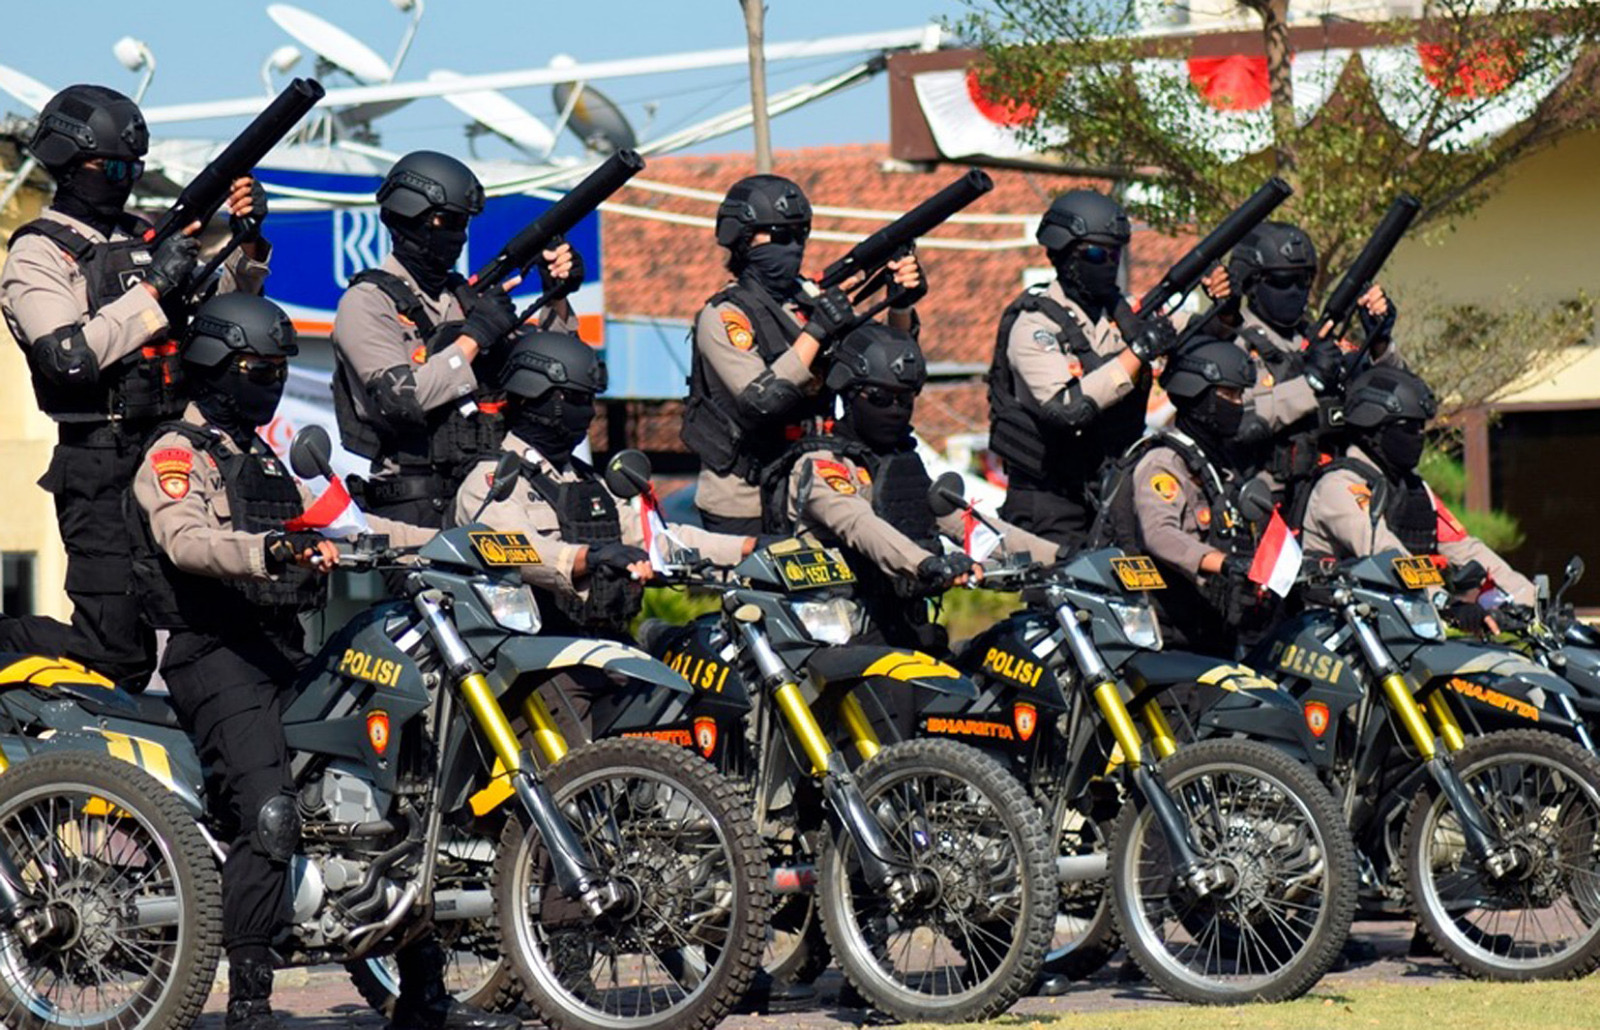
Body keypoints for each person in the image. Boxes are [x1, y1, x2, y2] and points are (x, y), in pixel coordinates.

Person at [130, 294, 516, 1030]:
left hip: (281, 649)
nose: (272, 382)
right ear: (214, 365)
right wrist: (272, 548)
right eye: (258, 369)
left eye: (279, 369)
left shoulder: (263, 456)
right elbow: (186, 540)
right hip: (213, 653)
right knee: (269, 811)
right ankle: (249, 1002)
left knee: (393, 805)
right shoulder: (176, 453)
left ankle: (423, 996)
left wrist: (449, 545)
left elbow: (348, 523)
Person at [0, 83, 269, 688]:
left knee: (219, 627)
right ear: (68, 163)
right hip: (100, 462)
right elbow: (68, 359)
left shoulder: (144, 234)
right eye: (113, 168)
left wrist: (245, 244)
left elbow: (215, 324)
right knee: (115, 652)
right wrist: (153, 290)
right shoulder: (38, 253)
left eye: (134, 169)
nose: (124, 180)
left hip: (173, 450)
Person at [770, 324, 1058, 651]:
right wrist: (926, 564)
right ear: (848, 394)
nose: (895, 409)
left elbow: (965, 524)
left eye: (905, 398)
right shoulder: (822, 465)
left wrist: (1060, 558)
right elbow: (860, 525)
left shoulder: (900, 466)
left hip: (903, 627)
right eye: (880, 397)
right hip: (843, 638)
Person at [332, 150, 580, 526]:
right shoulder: (367, 302)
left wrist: (556, 298)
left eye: (463, 223)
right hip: (414, 505)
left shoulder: (466, 299)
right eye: (445, 221)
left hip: (490, 494)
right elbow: (403, 399)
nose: (458, 236)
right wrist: (475, 336)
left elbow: (549, 376)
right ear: (408, 217)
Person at [681, 173, 923, 535]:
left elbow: (880, 366)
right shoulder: (724, 315)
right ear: (742, 239)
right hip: (745, 497)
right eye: (779, 236)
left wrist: (899, 303)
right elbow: (762, 400)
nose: (793, 247)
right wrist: (818, 329)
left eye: (800, 235)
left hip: (812, 482)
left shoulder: (809, 302)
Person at [987, 188, 1178, 548]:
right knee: (1061, 581)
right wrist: (1138, 353)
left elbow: (1189, 332)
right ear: (1064, 253)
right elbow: (1067, 408)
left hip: (1110, 490)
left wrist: (1224, 310)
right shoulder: (1034, 325)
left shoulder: (1124, 314)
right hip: (1050, 499)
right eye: (1095, 253)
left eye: (1115, 253)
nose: (1108, 263)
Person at [1296, 366, 1534, 622]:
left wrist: (1527, 598)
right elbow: (1386, 553)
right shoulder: (1339, 486)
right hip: (1335, 629)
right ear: (1375, 427)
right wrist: (1445, 603)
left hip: (1397, 627)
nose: (1419, 436)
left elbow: (1463, 548)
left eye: (1422, 428)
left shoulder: (1414, 488)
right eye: (1409, 428)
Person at [1200, 221, 1398, 486]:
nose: (1295, 291)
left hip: (1332, 489)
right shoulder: (1230, 342)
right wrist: (1309, 384)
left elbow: (1395, 400)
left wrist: (1379, 343)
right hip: (1262, 497)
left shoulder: (1319, 338)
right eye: (1283, 281)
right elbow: (1237, 422)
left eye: (1303, 280)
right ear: (1251, 283)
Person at [1104, 336, 1259, 650]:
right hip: (1167, 633)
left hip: (1209, 625)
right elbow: (1159, 534)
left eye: (1240, 395)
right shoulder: (1164, 462)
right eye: (1228, 394)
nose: (1238, 405)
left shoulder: (1218, 465)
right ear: (1198, 395)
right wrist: (1224, 563)